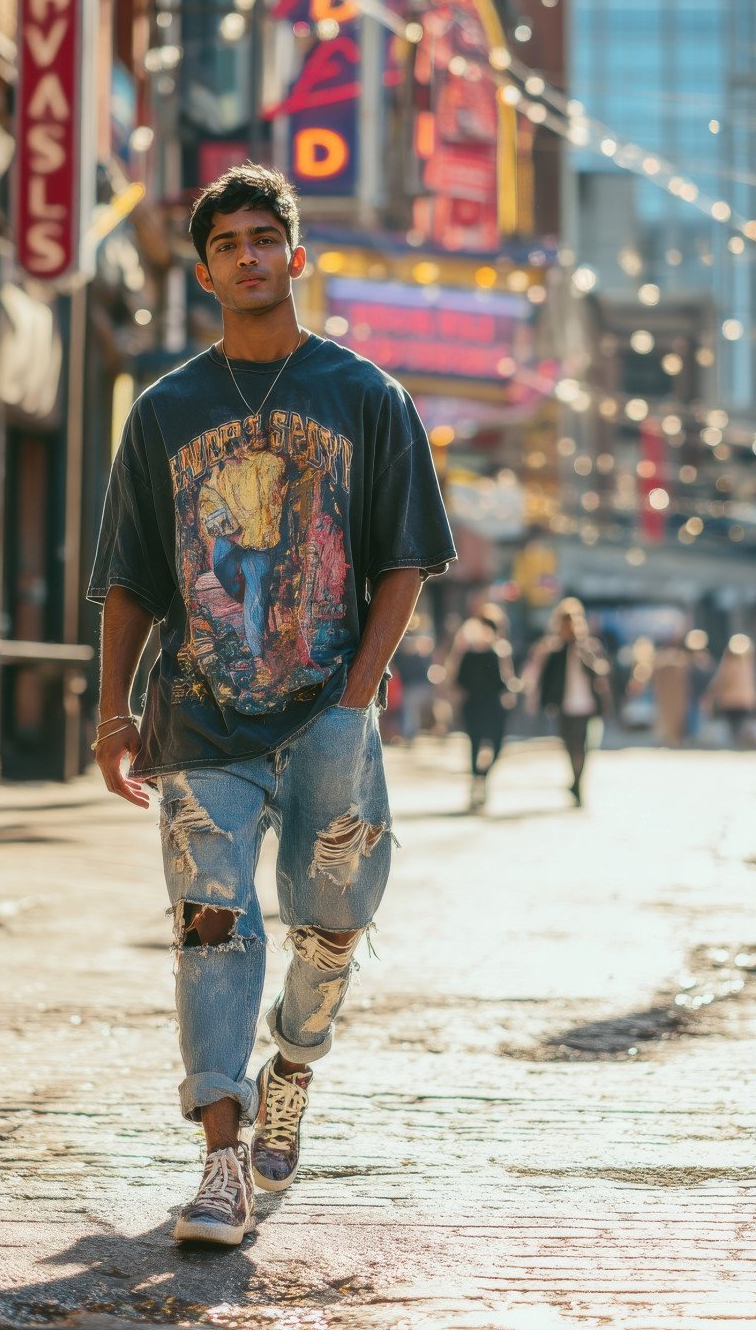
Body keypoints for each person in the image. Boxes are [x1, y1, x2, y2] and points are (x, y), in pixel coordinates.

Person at [87, 163, 455, 1246]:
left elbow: (405, 559)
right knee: (211, 925)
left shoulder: (364, 395)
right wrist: (114, 716)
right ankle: (221, 1159)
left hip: (325, 714)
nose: (249, 256)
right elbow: (130, 578)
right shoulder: (165, 411)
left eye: (264, 239)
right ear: (205, 270)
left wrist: (356, 695)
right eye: (227, 244)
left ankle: (292, 1065)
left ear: (295, 255)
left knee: (333, 920)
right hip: (200, 718)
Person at [538, 598, 611, 806]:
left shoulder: (589, 647)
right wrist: (546, 704)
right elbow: (547, 680)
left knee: (585, 747)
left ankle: (578, 784)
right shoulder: (555, 651)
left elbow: (601, 673)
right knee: (571, 746)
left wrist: (584, 656)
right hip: (565, 706)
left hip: (587, 706)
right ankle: (575, 781)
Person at [448, 608, 515, 810]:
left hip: (494, 706)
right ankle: (476, 782)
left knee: (497, 744)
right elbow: (458, 680)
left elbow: (504, 681)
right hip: (474, 706)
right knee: (475, 745)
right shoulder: (468, 653)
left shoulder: (500, 651)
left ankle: (482, 776)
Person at [704, 633, 756, 747]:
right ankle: (740, 743)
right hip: (745, 701)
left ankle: (737, 743)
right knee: (740, 725)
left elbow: (720, 682)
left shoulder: (729, 663)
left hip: (730, 701)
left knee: (734, 726)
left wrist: (711, 696)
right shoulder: (747, 664)